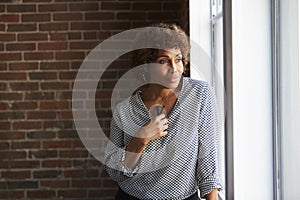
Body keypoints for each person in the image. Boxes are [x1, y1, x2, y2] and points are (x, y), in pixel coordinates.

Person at [104, 23, 222, 200]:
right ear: (146, 66)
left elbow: (208, 160)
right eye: (163, 61)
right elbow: (115, 172)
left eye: (178, 59)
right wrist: (141, 139)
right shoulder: (124, 110)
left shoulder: (200, 95)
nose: (174, 69)